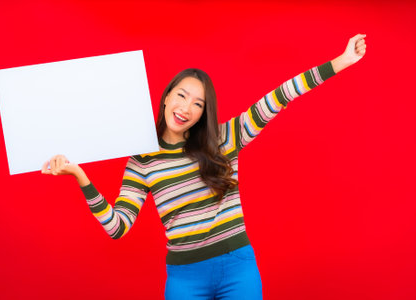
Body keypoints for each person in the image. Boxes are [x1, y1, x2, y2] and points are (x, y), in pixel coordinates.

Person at [42, 34, 367, 300]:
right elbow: (117, 227)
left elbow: (280, 96)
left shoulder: (226, 138)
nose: (186, 108)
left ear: (203, 113)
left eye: (198, 104)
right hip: (185, 279)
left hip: (238, 269)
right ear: (167, 97)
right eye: (182, 96)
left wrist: (340, 62)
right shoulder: (142, 160)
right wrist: (81, 177)